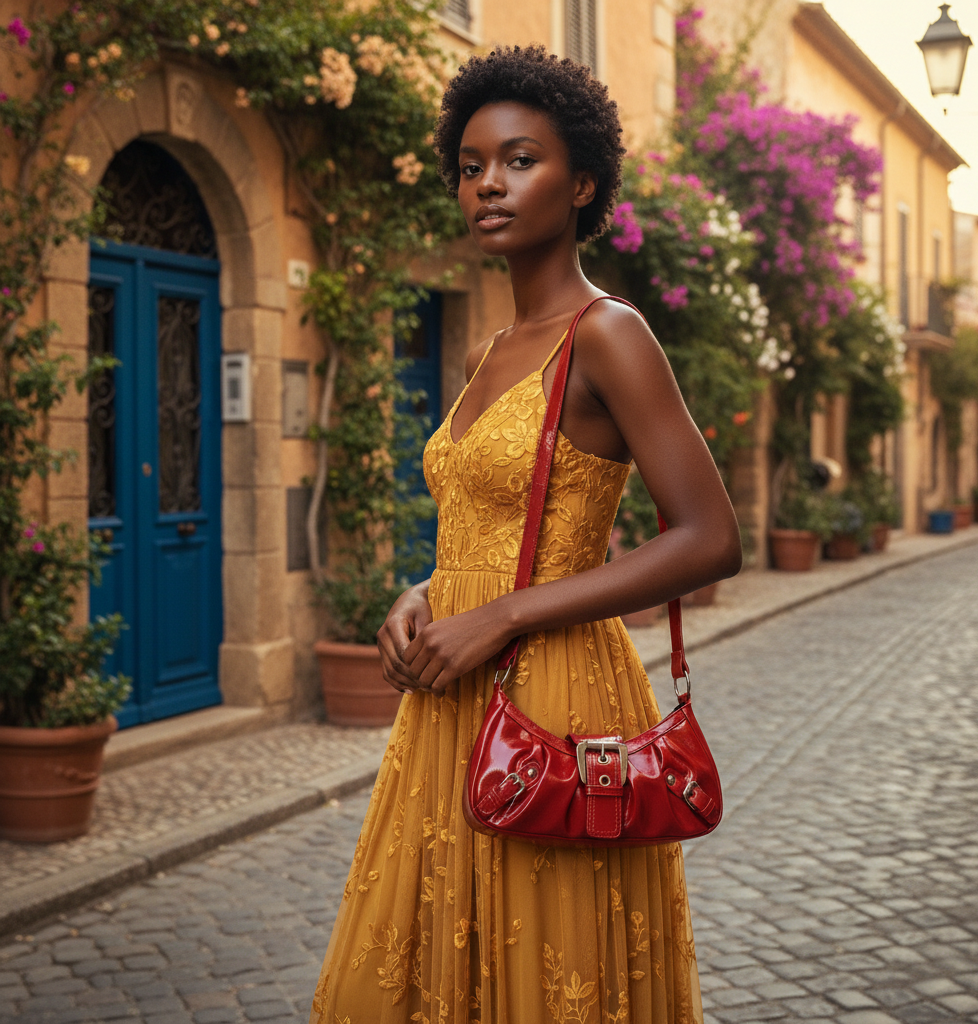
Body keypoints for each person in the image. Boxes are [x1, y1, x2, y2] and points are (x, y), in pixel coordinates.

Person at [310, 44, 741, 1024]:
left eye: (518, 160)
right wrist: (423, 593)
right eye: (470, 166)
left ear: (581, 180)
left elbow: (711, 538)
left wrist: (501, 613)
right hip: (448, 692)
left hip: (554, 694)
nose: (487, 186)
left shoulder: (609, 332)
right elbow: (484, 521)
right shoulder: (488, 348)